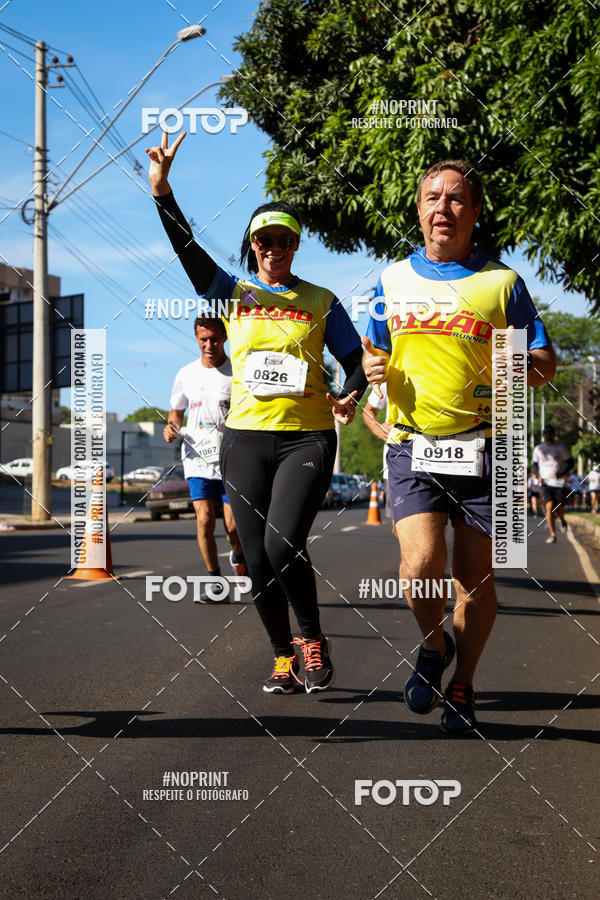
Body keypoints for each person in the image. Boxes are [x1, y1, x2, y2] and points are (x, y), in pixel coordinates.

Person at [147, 130, 366, 693]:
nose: (274, 248)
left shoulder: (321, 301)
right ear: (253, 247)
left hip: (306, 438)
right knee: (255, 559)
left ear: (296, 247)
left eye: (284, 241)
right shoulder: (234, 293)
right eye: (264, 241)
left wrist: (350, 395)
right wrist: (163, 194)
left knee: (280, 542)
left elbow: (356, 362)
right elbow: (190, 256)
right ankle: (281, 655)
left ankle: (313, 637)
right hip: (242, 440)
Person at [362, 158, 556, 733]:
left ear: (473, 211)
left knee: (476, 580)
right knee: (421, 566)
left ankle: (464, 685)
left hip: (488, 448)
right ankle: (432, 644)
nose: (442, 208)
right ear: (418, 210)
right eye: (431, 198)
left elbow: (544, 362)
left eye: (455, 199)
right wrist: (368, 367)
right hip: (412, 443)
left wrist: (506, 360)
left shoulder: (502, 284)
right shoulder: (390, 281)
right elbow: (372, 352)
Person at [164, 316, 246, 601]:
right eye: (203, 339)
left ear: (224, 338)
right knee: (204, 520)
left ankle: (239, 554)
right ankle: (215, 582)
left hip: (232, 460)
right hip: (197, 459)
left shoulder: (237, 372)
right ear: (196, 339)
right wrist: (171, 427)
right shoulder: (186, 374)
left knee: (233, 526)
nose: (209, 345)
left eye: (214, 339)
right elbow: (176, 412)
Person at [532, 426, 574, 542]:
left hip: (559, 482)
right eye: (545, 433)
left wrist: (561, 473)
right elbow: (534, 465)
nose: (547, 435)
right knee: (549, 506)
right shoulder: (538, 448)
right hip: (545, 482)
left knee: (558, 506)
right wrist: (538, 474)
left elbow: (570, 463)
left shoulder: (561, 447)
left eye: (550, 433)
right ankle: (553, 534)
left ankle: (562, 519)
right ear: (543, 435)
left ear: (554, 434)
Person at [362, 383, 393, 520]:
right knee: (401, 526)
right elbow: (368, 410)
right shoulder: (391, 371)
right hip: (397, 461)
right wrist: (377, 428)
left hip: (453, 459)